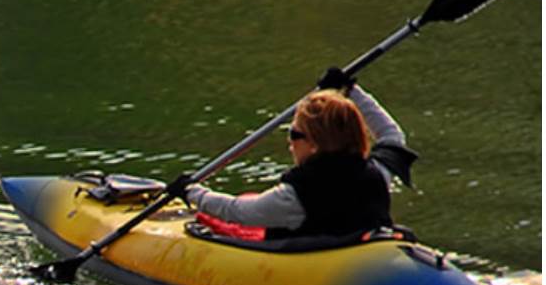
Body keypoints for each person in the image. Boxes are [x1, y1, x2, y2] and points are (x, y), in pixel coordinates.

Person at [176, 68, 417, 238]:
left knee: (232, 214)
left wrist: (192, 191)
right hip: (361, 250)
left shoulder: (295, 196)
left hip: (315, 265)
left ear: (314, 144)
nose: (289, 142)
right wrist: (351, 91)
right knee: (251, 198)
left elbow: (236, 211)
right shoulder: (375, 174)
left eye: (294, 134)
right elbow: (391, 135)